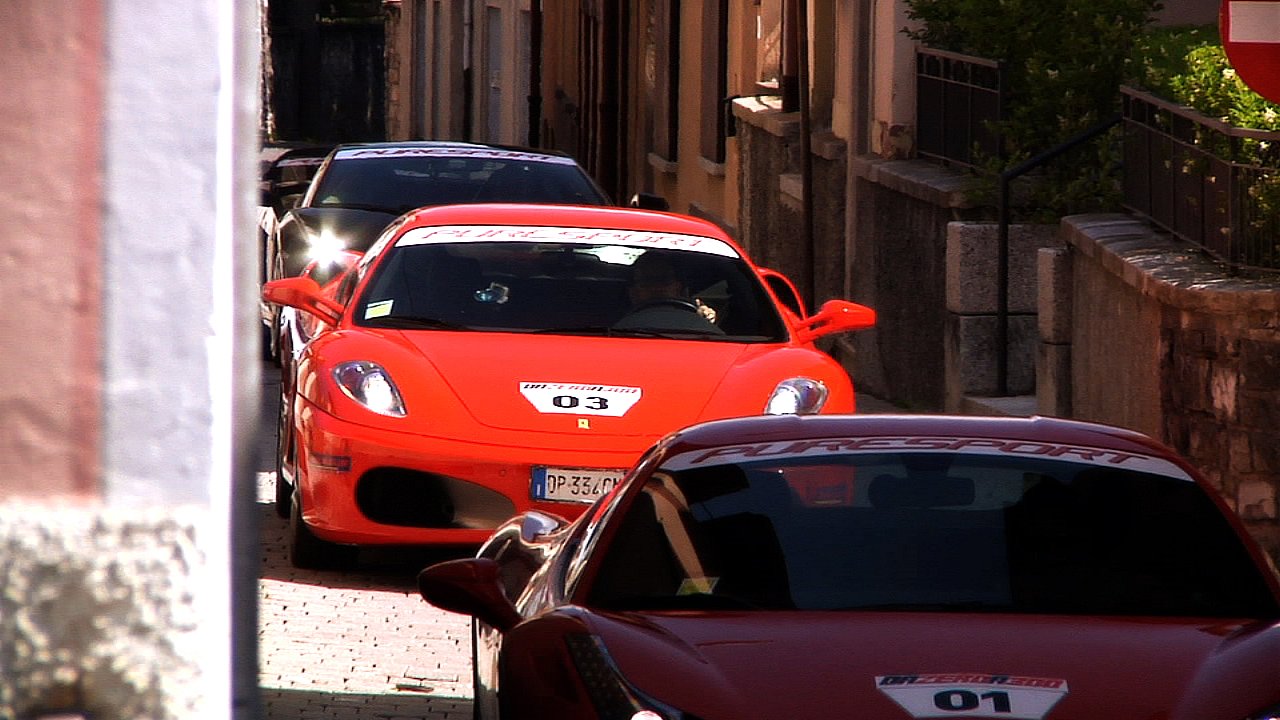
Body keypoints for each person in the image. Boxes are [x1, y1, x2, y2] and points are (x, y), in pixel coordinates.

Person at [617, 251, 722, 332]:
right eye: (647, 280)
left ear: (679, 287)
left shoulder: (701, 322)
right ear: (633, 291)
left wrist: (707, 322)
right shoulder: (609, 329)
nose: (656, 286)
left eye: (664, 279)